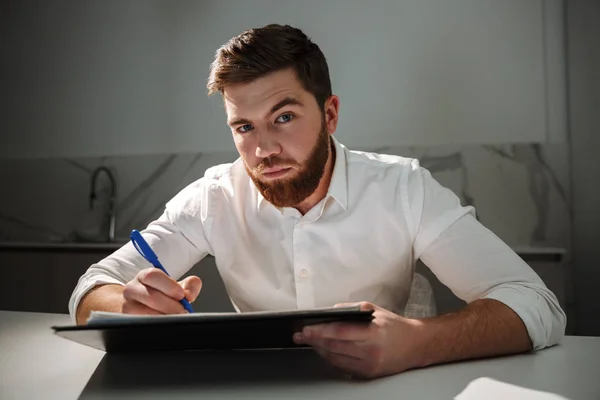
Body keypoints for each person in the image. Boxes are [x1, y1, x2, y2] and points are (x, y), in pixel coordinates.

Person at [70, 24, 566, 379]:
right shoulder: (213, 197)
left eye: (283, 117)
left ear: (329, 114)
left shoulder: (403, 188)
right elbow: (90, 289)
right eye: (244, 127)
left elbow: (536, 304)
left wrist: (417, 342)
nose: (263, 149)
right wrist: (128, 308)